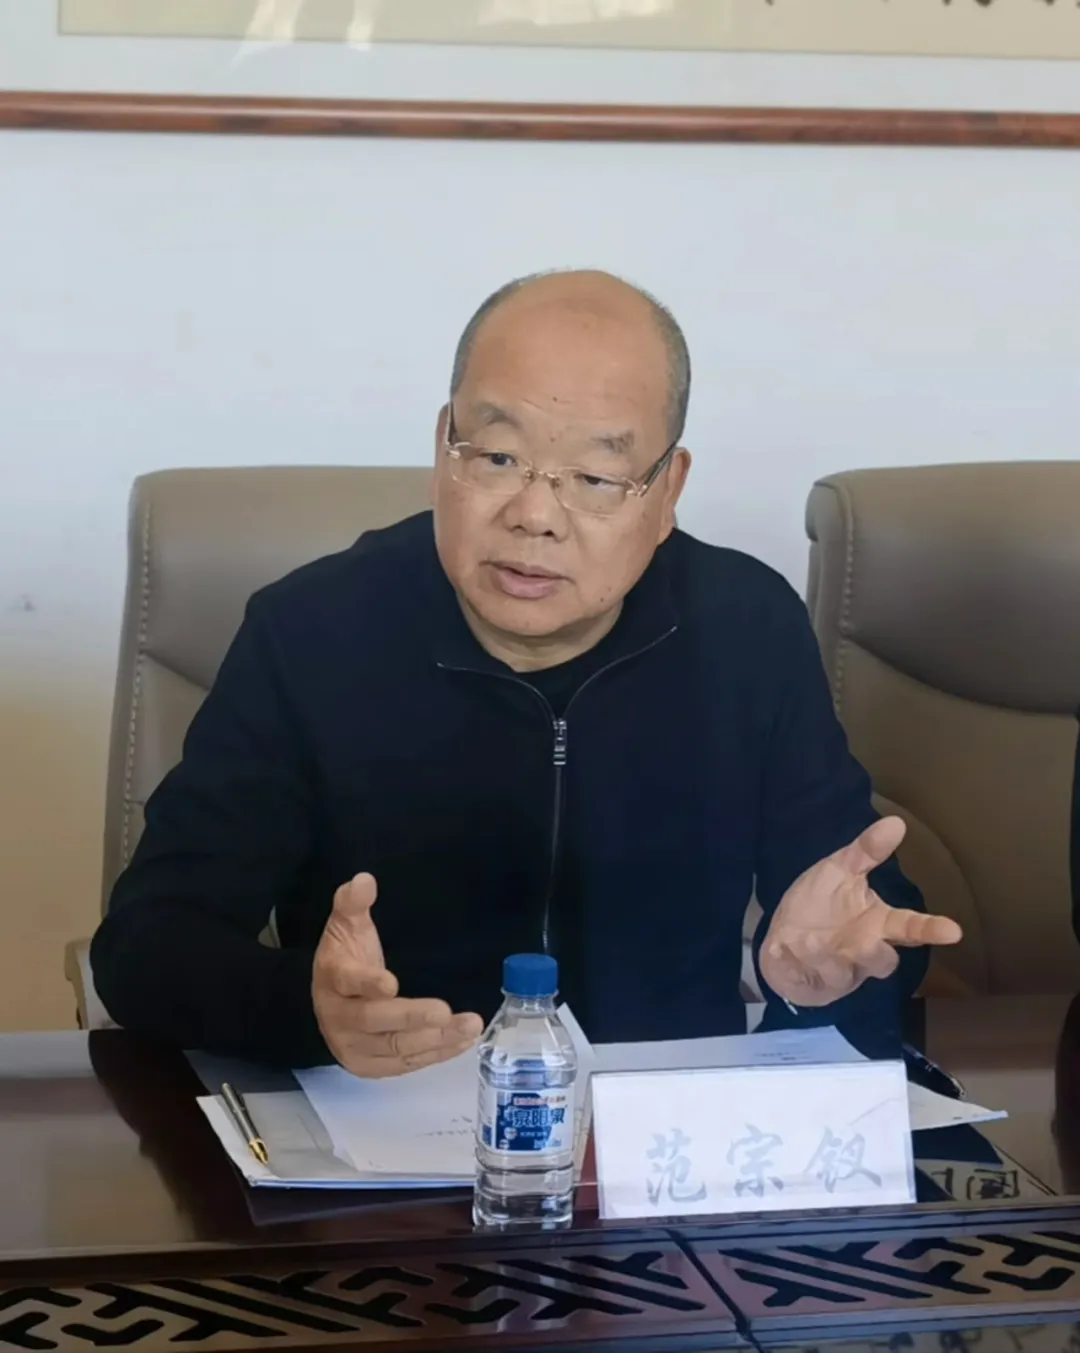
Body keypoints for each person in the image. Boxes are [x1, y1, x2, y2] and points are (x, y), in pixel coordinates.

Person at [91, 269, 962, 1077]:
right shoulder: (312, 631)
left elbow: (862, 914)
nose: (536, 515)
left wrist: (826, 973)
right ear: (444, 446)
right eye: (498, 458)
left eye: (596, 476)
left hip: (659, 1141)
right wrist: (308, 1009)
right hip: (391, 1132)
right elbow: (145, 945)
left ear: (667, 490)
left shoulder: (745, 629)